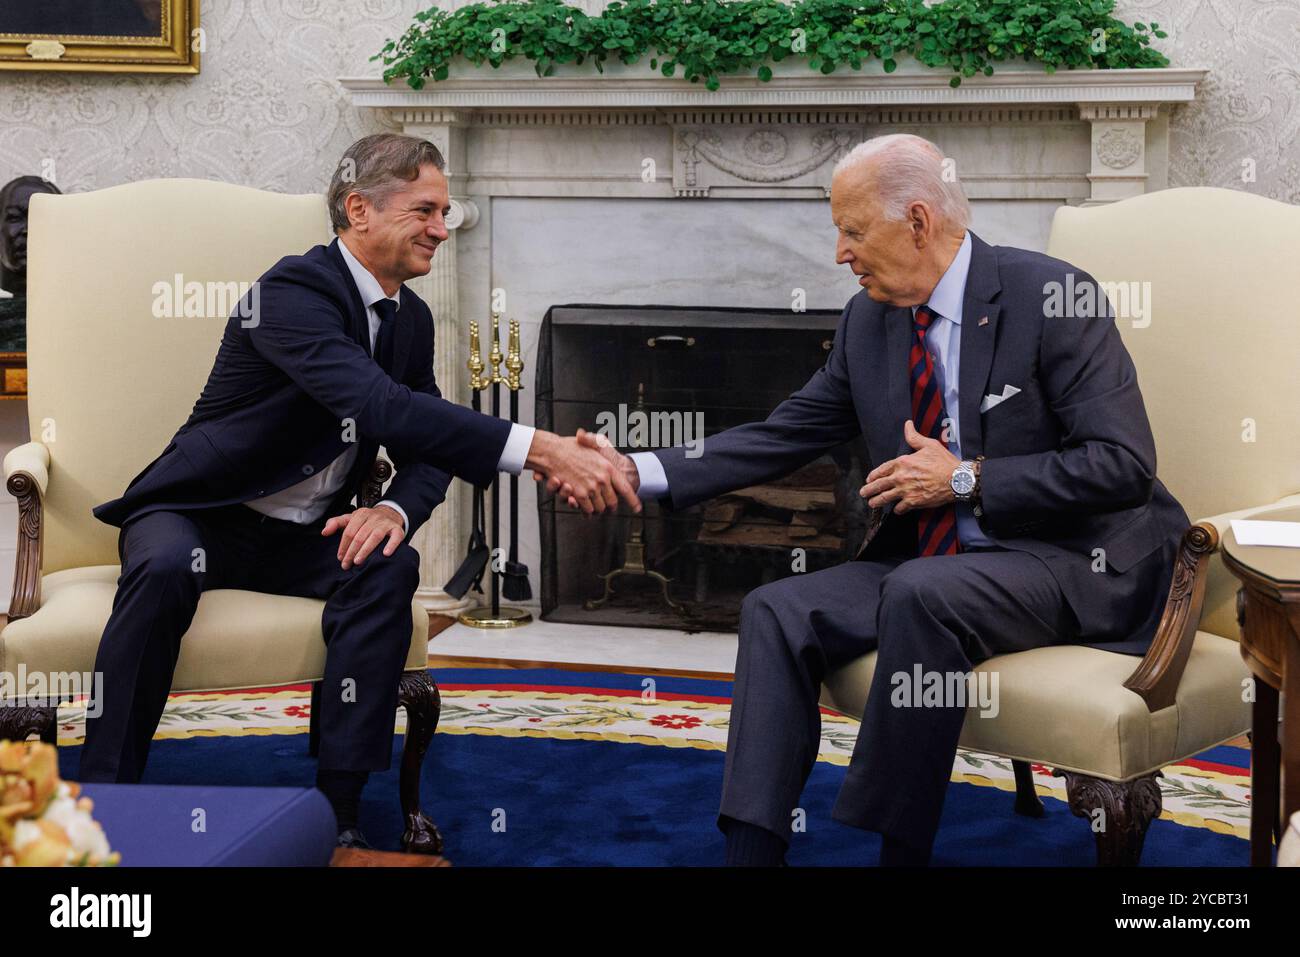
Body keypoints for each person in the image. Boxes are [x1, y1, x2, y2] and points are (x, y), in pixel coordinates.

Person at [565, 133, 1189, 866]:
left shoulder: (1053, 297)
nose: (839, 252)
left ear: (918, 221)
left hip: (1072, 558)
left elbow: (1122, 465)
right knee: (776, 608)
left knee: (925, 592)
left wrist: (966, 478)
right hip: (945, 568)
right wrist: (640, 470)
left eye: (853, 230)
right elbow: (782, 432)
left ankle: (896, 852)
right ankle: (751, 853)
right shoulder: (871, 320)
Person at [81, 133, 639, 848]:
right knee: (161, 568)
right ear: (359, 209)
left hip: (301, 535)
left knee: (388, 565)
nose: (444, 228)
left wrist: (394, 507)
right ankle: (101, 797)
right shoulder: (291, 292)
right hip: (198, 515)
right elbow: (379, 405)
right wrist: (539, 448)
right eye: (426, 211)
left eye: (447, 211)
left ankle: (338, 810)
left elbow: (425, 443)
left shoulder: (409, 316)